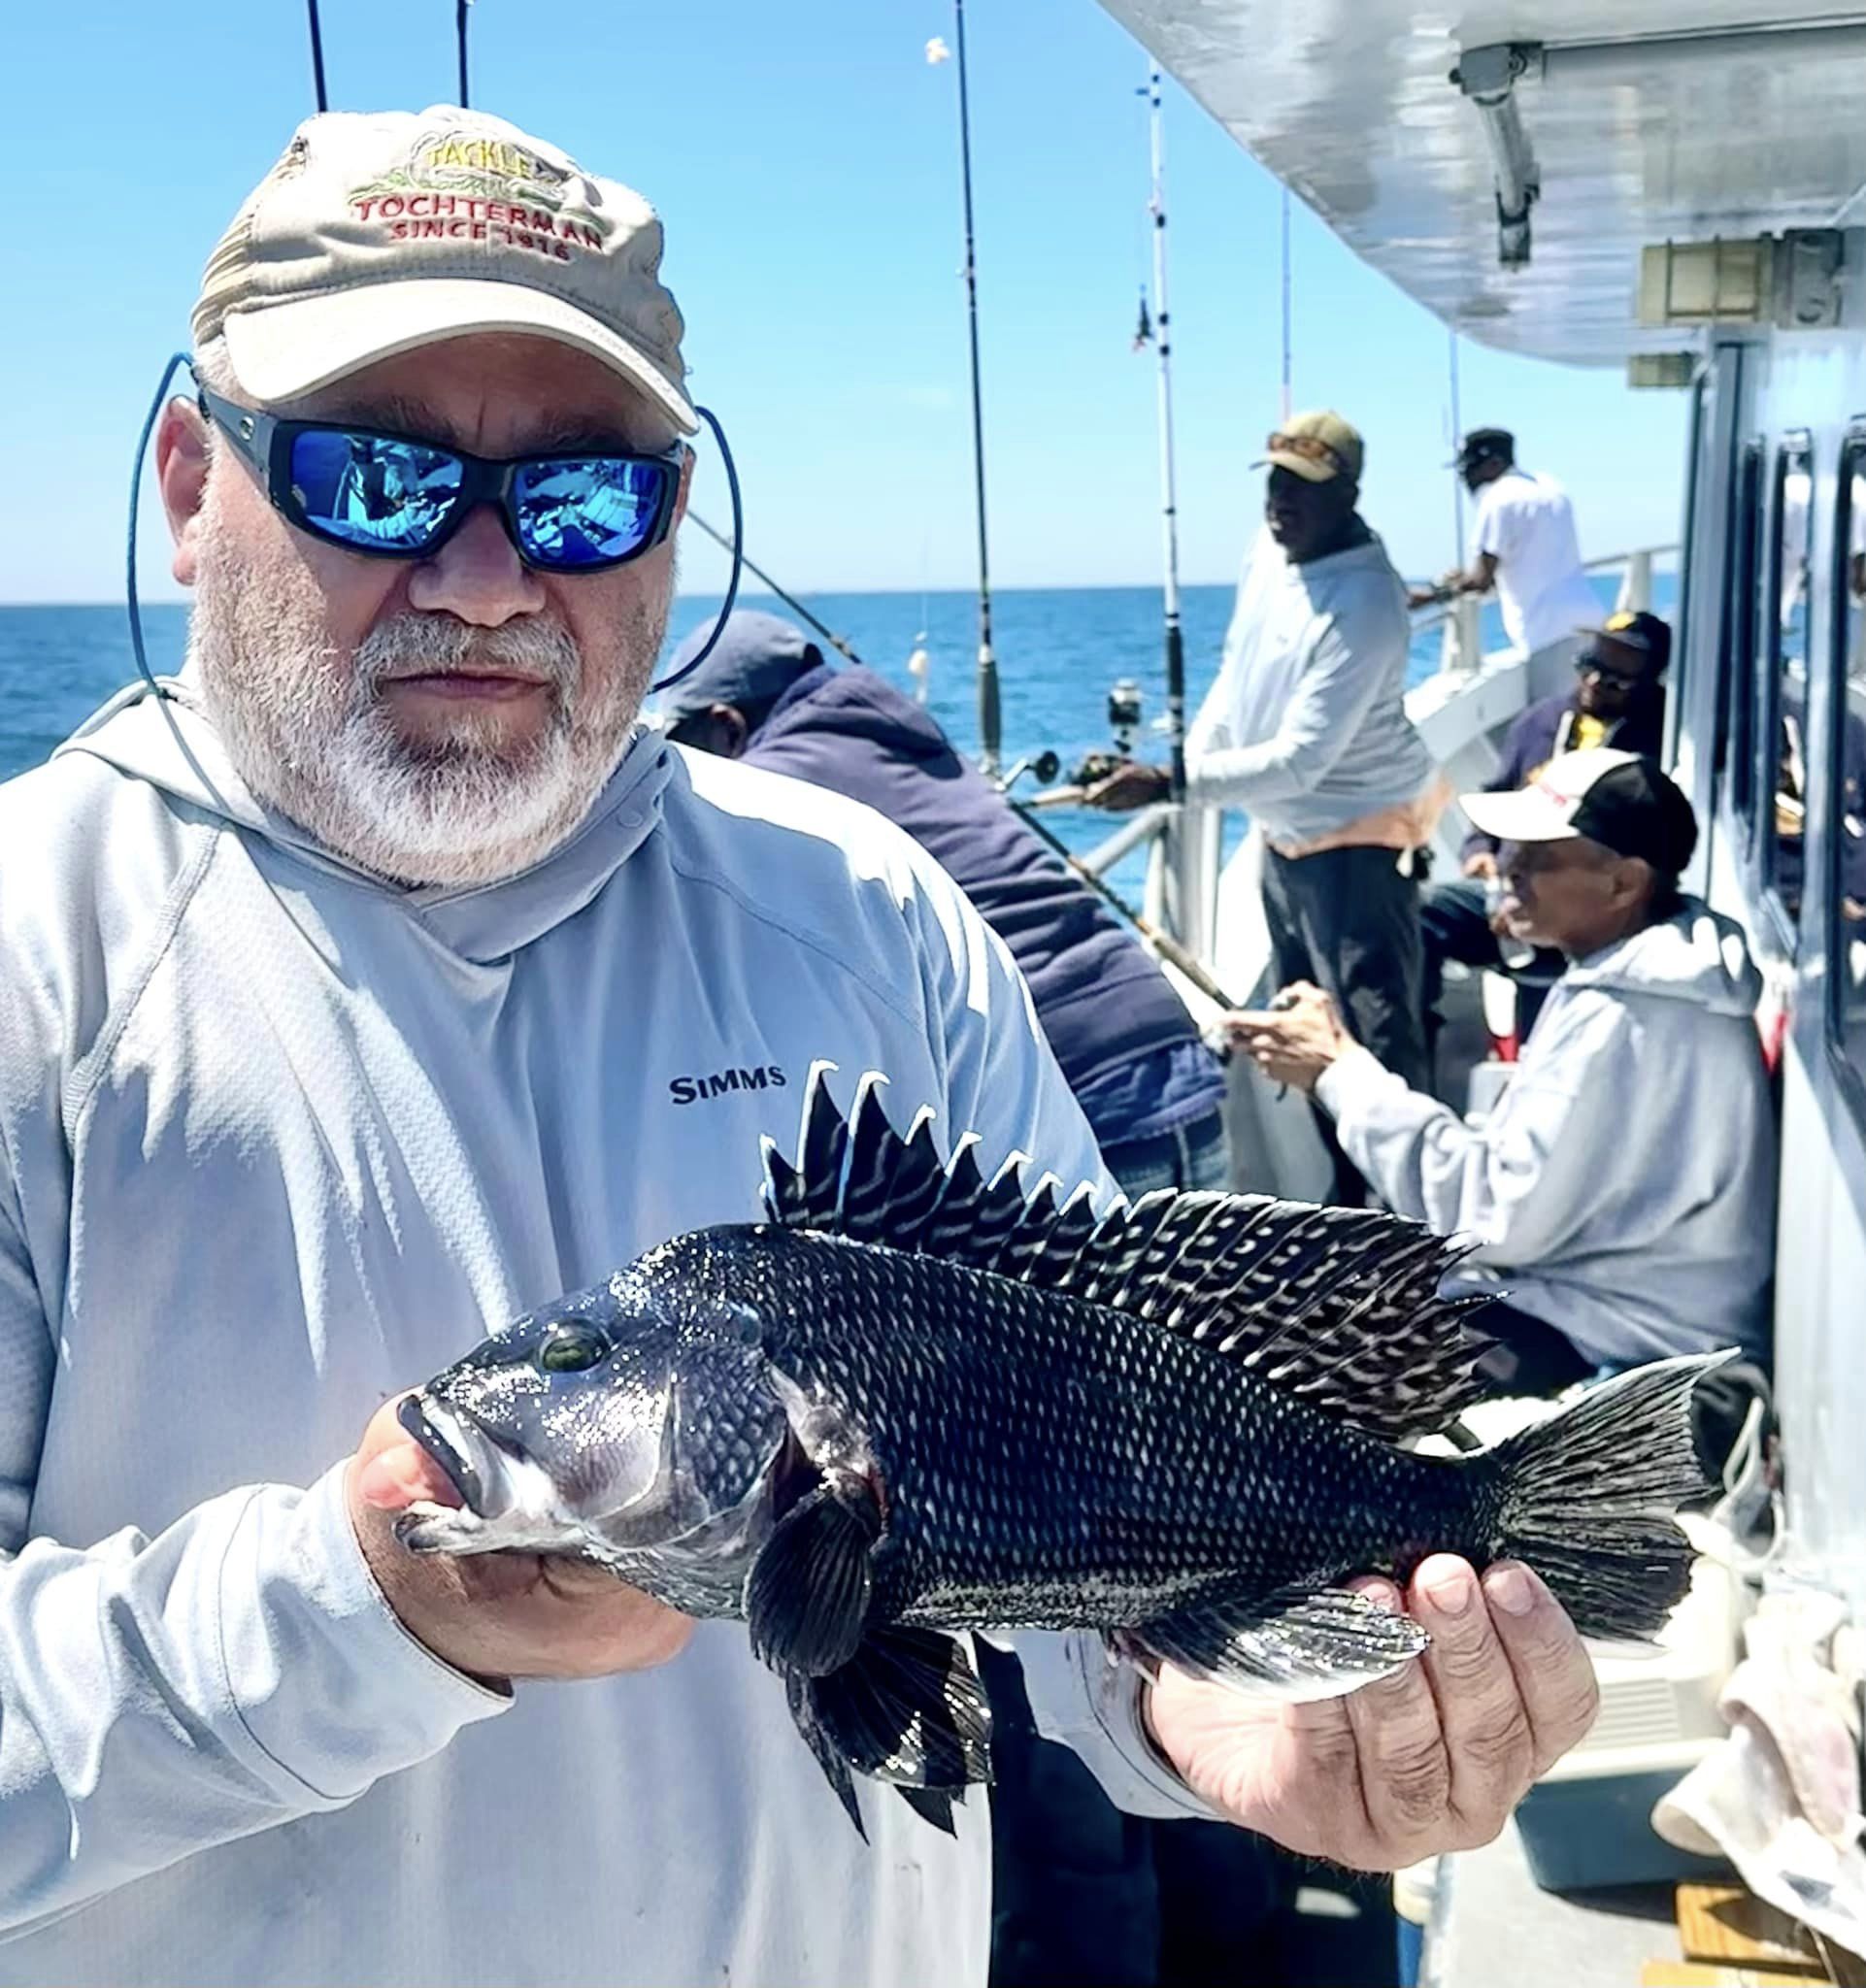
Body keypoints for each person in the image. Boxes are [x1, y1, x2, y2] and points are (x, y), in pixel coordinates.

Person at [0, 106, 1602, 1987]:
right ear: (194, 480)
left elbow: (1071, 1499)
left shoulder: (865, 911)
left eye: (584, 497)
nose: (488, 577)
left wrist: (1217, 1716)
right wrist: (362, 1613)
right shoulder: (41, 957)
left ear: (678, 512)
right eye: (375, 474)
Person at [1228, 749, 1776, 1395]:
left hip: (1621, 1336)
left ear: (1623, 884)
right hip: (1631, 1303)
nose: (1507, 867)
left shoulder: (1617, 1017)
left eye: (1539, 858)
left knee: (1285, 1351)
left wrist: (1337, 1070)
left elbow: (1489, 1218)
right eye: (1510, 849)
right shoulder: (1662, 971)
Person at [662, 613, 1229, 1199]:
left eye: (681, 746)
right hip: (1168, 1042)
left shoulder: (764, 795)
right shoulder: (902, 734)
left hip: (1069, 1093)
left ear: (726, 727)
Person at [1086, 412, 1442, 1207]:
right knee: (1299, 1027)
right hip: (1283, 835)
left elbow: (1302, 758)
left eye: (1304, 488)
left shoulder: (1367, 601)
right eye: (1276, 482)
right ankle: (1347, 1210)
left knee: (1372, 1037)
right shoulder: (1271, 551)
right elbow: (1236, 672)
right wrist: (1185, 762)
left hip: (1359, 839)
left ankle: (1404, 1222)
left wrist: (1172, 782)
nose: (1283, 501)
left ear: (1349, 496)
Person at [1422, 610, 1671, 1058]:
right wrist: (1480, 850)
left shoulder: (1661, 742)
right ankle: (1413, 1051)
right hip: (1507, 884)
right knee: (1422, 914)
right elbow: (1497, 793)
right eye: (1589, 666)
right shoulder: (1539, 720)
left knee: (1551, 1041)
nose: (1594, 682)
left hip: (1588, 905)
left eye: (1615, 679)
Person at [1414, 428, 1600, 678]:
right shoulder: (1550, 487)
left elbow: (1481, 581)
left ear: (1494, 463)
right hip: (1590, 620)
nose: (1467, 477)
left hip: (1546, 633)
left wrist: (1432, 594)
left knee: (1555, 703)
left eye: (1470, 468)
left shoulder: (1498, 499)